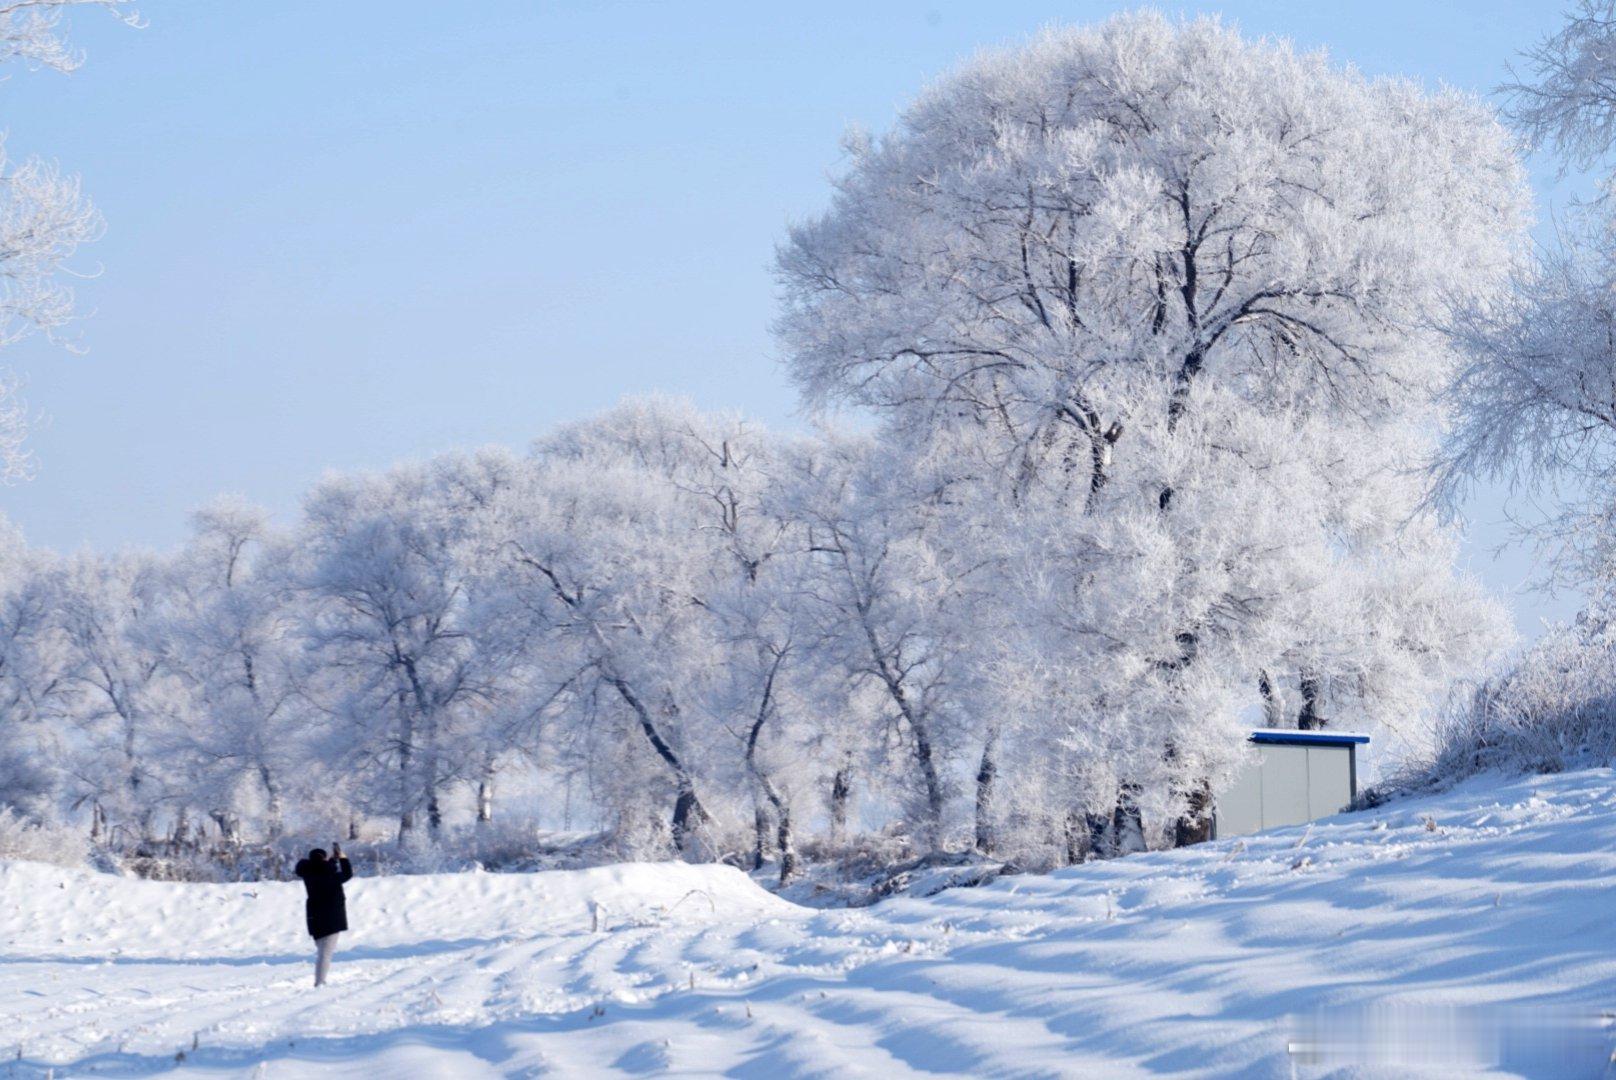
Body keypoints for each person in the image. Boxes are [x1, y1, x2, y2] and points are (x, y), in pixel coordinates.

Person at [293, 841, 353, 988]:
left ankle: (320, 981)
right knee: (325, 954)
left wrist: (333, 860)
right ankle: (320, 983)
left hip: (314, 917)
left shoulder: (308, 873)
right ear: (324, 859)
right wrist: (343, 858)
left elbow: (323, 868)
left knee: (322, 951)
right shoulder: (329, 874)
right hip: (331, 918)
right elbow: (347, 874)